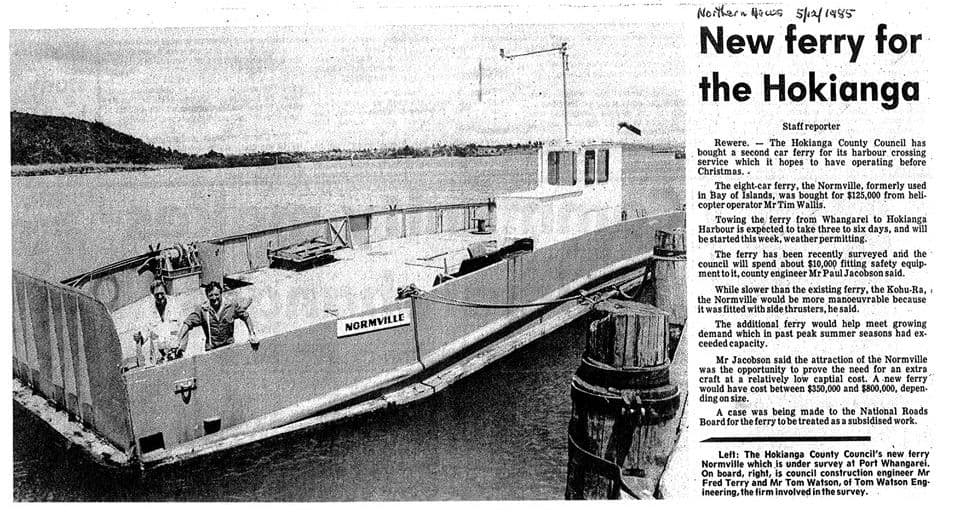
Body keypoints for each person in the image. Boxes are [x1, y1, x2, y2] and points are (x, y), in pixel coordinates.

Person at [177, 281, 257, 354]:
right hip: (212, 350)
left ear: (221, 294)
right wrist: (178, 340)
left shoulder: (231, 306)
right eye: (211, 295)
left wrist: (252, 334)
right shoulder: (203, 310)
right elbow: (188, 322)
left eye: (216, 294)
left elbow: (245, 316)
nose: (214, 298)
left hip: (229, 347)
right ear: (207, 296)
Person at [132, 280, 183, 364]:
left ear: (165, 291)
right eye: (156, 295)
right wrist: (139, 337)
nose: (159, 296)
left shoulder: (175, 304)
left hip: (175, 351)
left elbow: (183, 327)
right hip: (158, 355)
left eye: (161, 293)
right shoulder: (148, 310)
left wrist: (180, 348)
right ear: (153, 295)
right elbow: (145, 330)